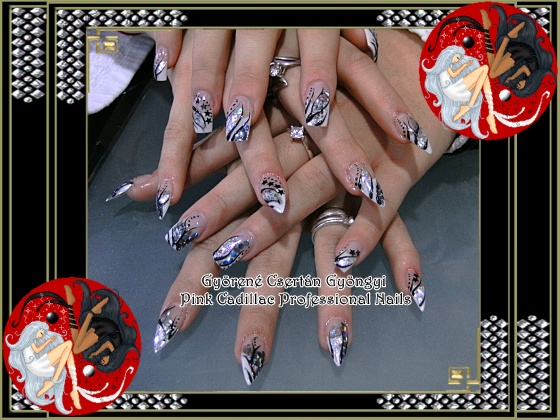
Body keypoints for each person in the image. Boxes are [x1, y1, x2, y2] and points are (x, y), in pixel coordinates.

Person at [5, 321, 81, 414]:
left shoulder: (30, 341)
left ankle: (53, 383)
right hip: (37, 365)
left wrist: (48, 341)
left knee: (65, 353)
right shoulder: (27, 342)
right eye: (41, 333)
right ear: (34, 331)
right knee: (68, 344)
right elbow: (37, 350)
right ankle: (55, 381)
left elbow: (37, 350)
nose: (41, 336)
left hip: (37, 366)